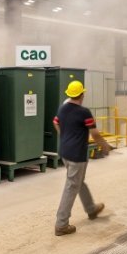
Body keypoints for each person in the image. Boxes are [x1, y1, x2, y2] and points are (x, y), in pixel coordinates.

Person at [53, 80, 112, 236]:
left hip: (65, 153)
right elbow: (95, 134)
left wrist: (64, 136)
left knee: (78, 181)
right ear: (82, 95)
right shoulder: (84, 112)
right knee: (72, 186)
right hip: (76, 155)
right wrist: (105, 146)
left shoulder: (62, 109)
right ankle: (61, 224)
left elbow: (55, 122)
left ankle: (91, 208)